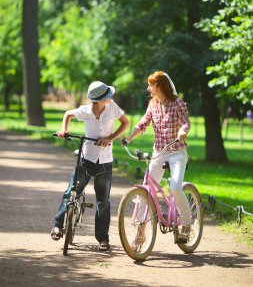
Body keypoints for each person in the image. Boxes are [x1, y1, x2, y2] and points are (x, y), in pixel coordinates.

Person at [51, 81, 129, 251]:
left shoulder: (112, 107)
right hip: (87, 158)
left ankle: (102, 238)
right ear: (100, 99)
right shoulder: (85, 111)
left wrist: (110, 138)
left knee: (103, 202)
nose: (111, 97)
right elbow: (68, 114)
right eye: (108, 95)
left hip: (105, 161)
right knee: (71, 192)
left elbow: (126, 123)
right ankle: (57, 225)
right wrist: (63, 130)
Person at [122, 70, 191, 245]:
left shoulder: (178, 103)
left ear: (159, 86)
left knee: (175, 187)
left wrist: (183, 131)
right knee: (146, 191)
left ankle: (186, 225)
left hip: (177, 153)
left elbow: (186, 122)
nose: (148, 88)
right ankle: (141, 232)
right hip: (159, 153)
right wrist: (129, 138)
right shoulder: (153, 104)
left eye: (150, 85)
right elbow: (143, 123)